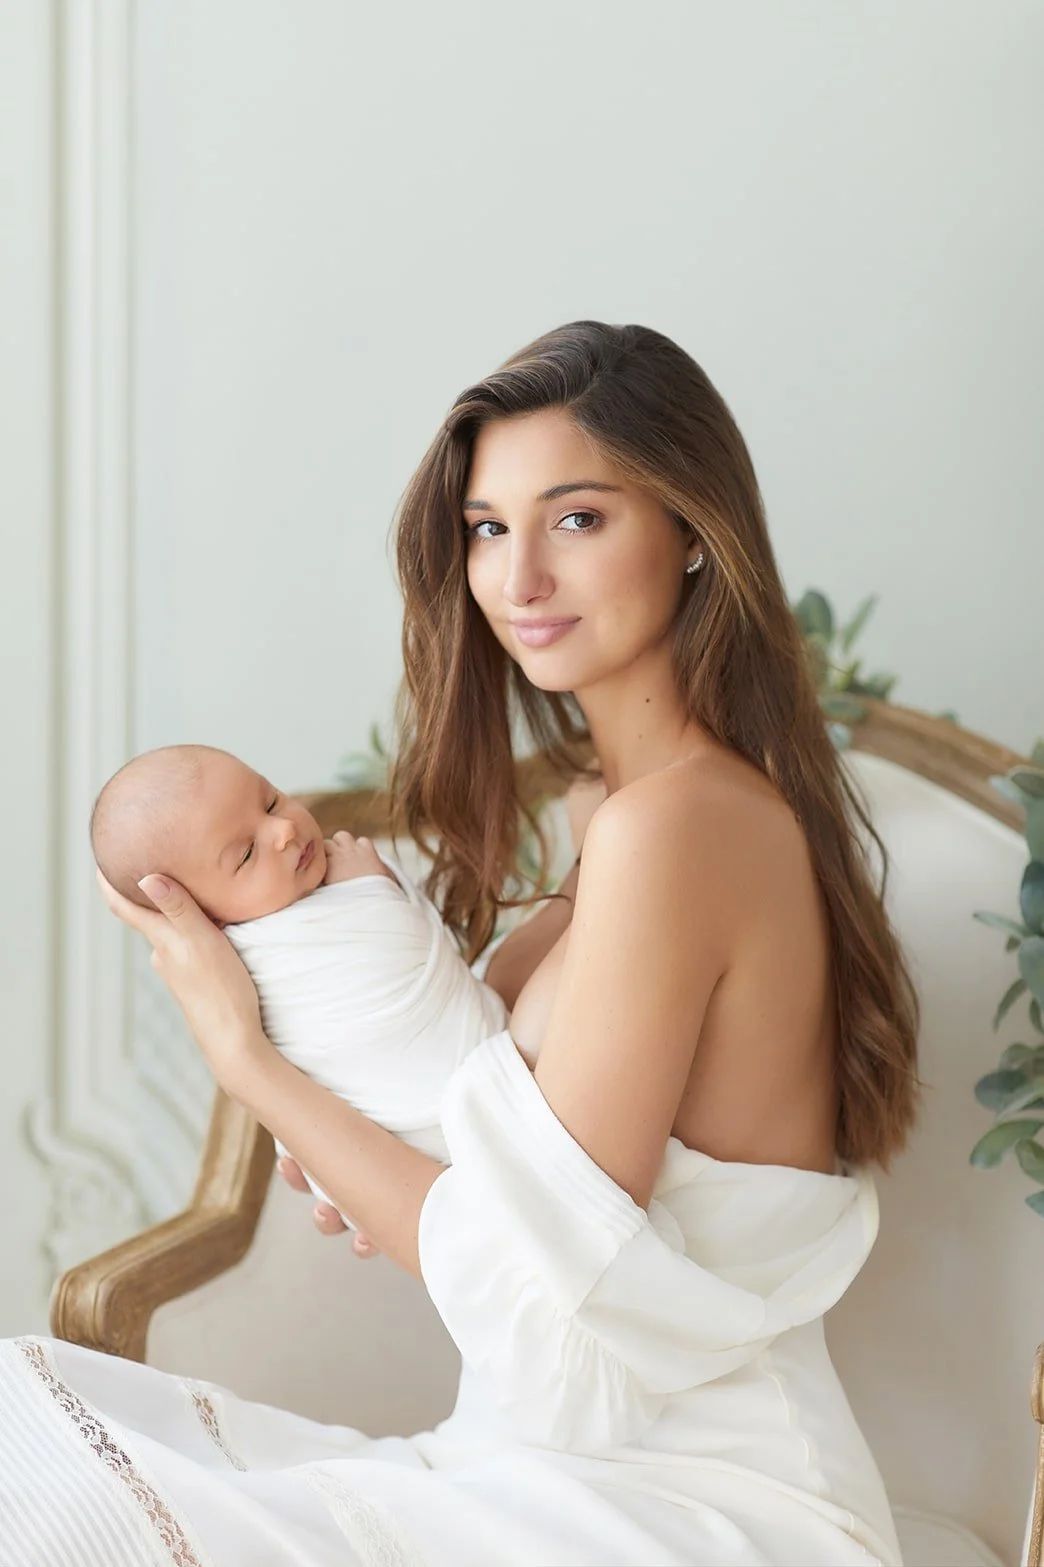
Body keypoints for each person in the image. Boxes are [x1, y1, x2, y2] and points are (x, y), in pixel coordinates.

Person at [0, 321, 920, 1566]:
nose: (520, 576)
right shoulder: (620, 815)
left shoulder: (681, 826)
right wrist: (369, 1147)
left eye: (577, 518)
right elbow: (511, 1237)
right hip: (525, 1460)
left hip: (696, 1500)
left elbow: (552, 1323)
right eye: (488, 527)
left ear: (694, 529)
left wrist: (248, 1059)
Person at [88, 745, 508, 1206]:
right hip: (451, 1141)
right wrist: (372, 889)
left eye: (270, 800)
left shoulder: (312, 899)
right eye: (247, 854)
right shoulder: (258, 962)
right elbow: (391, 965)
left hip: (446, 1148)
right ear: (206, 918)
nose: (284, 829)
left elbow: (425, 978)